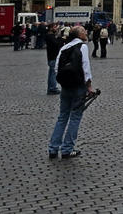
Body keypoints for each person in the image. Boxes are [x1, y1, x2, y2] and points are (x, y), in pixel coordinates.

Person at [47, 26, 94, 159]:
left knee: (62, 117)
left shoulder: (64, 47)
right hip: (79, 86)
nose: (86, 33)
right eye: (84, 31)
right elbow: (85, 67)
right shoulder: (82, 47)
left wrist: (63, 82)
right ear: (79, 35)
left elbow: (57, 67)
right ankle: (67, 149)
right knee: (75, 117)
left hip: (66, 87)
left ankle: (53, 148)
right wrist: (89, 86)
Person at [45, 23, 62, 95]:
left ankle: (51, 88)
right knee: (53, 74)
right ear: (51, 28)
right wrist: (60, 38)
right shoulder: (50, 36)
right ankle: (52, 88)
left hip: (52, 56)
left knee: (51, 73)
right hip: (53, 56)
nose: (56, 28)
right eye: (55, 27)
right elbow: (57, 45)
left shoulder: (50, 36)